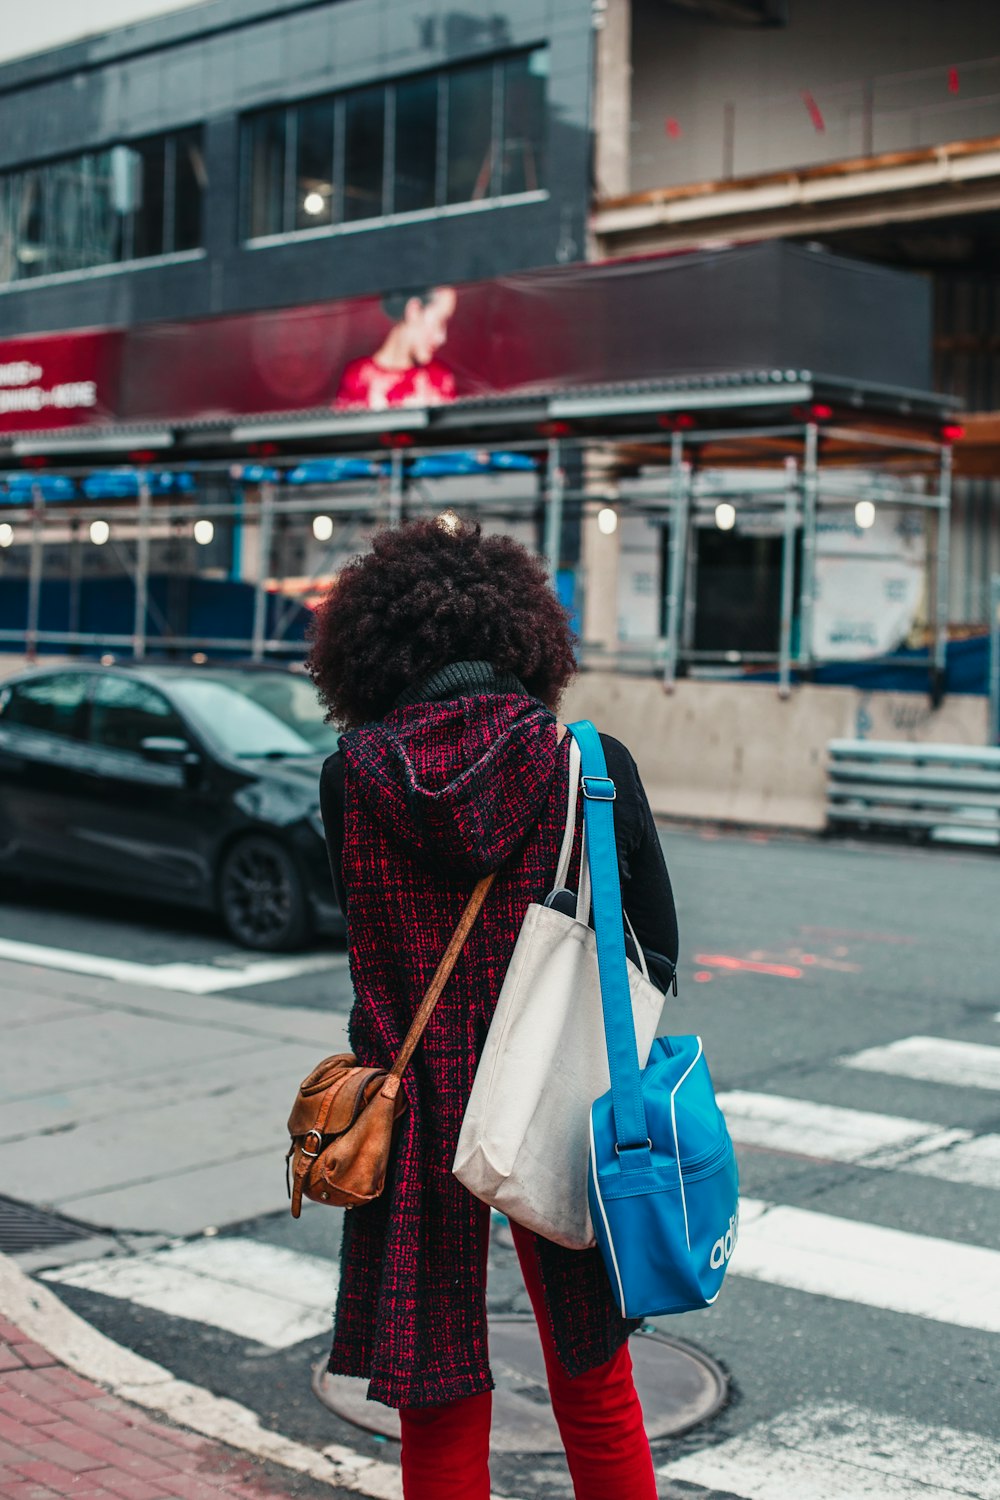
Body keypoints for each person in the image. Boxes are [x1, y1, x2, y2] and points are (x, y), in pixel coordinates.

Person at [307, 517, 679, 1500]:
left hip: (410, 1105)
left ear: (371, 648)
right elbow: (659, 948)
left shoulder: (350, 778)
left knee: (435, 1397)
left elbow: (361, 945)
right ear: (526, 639)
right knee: (596, 1385)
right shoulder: (588, 766)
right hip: (558, 1103)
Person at [334, 286, 457, 411]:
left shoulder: (439, 378)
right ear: (414, 310)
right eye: (440, 322)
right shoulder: (358, 378)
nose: (441, 338)